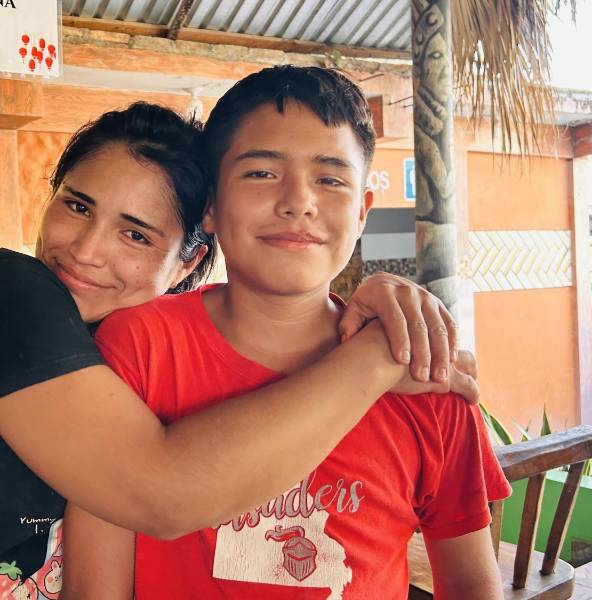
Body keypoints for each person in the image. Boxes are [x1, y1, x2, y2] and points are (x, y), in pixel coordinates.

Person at [0, 102, 476, 599]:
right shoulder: (2, 293)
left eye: (135, 233)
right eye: (77, 206)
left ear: (190, 258)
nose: (86, 250)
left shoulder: (129, 348)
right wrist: (380, 356)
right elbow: (161, 492)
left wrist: (378, 301)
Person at [61, 68, 510, 599]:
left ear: (363, 211)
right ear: (211, 206)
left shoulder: (426, 378)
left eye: (331, 179)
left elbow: (473, 587)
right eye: (261, 173)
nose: (299, 202)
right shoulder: (139, 346)